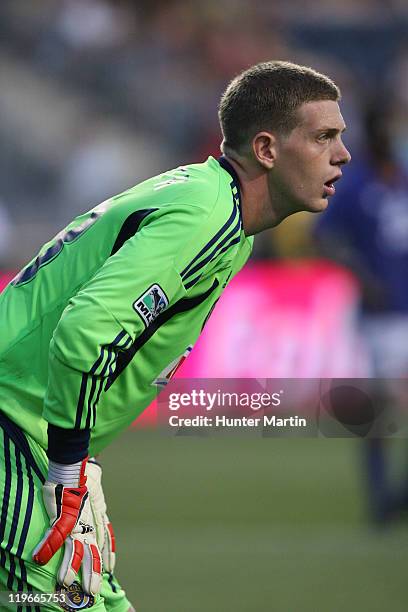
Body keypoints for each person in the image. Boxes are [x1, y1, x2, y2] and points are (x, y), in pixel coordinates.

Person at [0, 60, 351, 611]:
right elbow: (86, 333)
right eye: (323, 136)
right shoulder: (206, 215)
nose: (342, 154)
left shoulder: (213, 206)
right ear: (266, 149)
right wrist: (68, 471)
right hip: (15, 438)